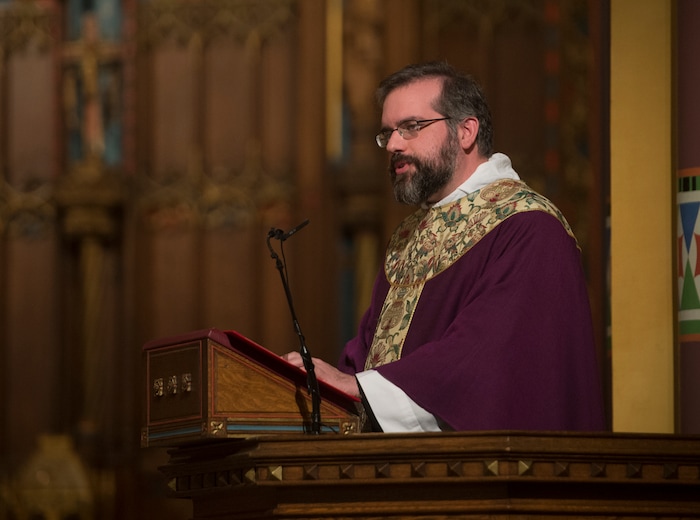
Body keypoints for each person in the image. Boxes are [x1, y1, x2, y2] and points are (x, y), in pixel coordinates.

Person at [283, 61, 606, 433]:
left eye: (411, 127)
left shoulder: (528, 227)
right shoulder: (409, 235)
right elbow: (368, 355)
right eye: (387, 133)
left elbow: (484, 357)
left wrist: (357, 388)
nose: (393, 145)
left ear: (466, 131)